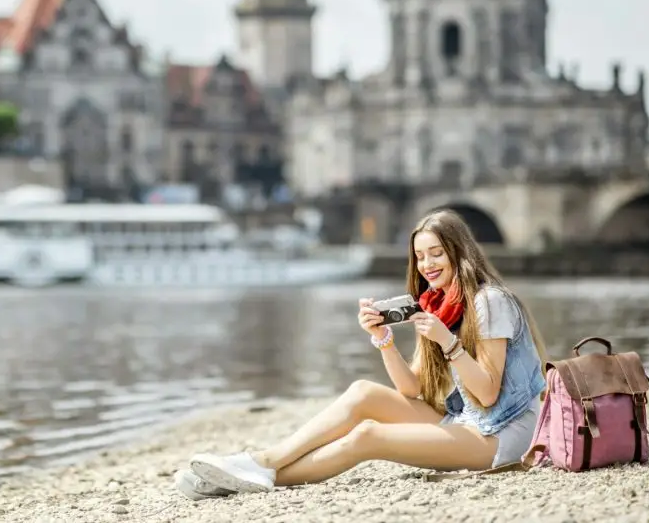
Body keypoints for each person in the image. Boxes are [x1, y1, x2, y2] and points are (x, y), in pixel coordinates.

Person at [173, 208, 548, 500]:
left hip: (504, 435)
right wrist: (383, 339)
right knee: (362, 393)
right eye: (420, 256)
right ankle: (258, 466)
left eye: (437, 254)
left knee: (368, 436)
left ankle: (250, 474)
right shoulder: (438, 306)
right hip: (467, 421)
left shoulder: (490, 302)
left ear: (459, 253)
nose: (428, 265)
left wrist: (448, 344)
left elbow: (487, 393)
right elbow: (412, 389)